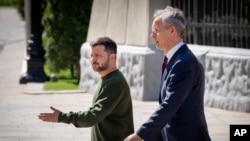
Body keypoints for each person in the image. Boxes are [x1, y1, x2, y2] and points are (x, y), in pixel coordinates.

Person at [124, 6, 211, 141]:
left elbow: (169, 106)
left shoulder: (184, 63)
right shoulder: (174, 59)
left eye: (156, 30)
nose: (152, 35)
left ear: (172, 30)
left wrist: (140, 135)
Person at [38, 37, 134, 141]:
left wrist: (62, 117)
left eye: (98, 55)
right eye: (92, 55)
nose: (93, 60)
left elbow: (92, 116)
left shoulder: (113, 83)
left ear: (112, 57)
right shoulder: (108, 79)